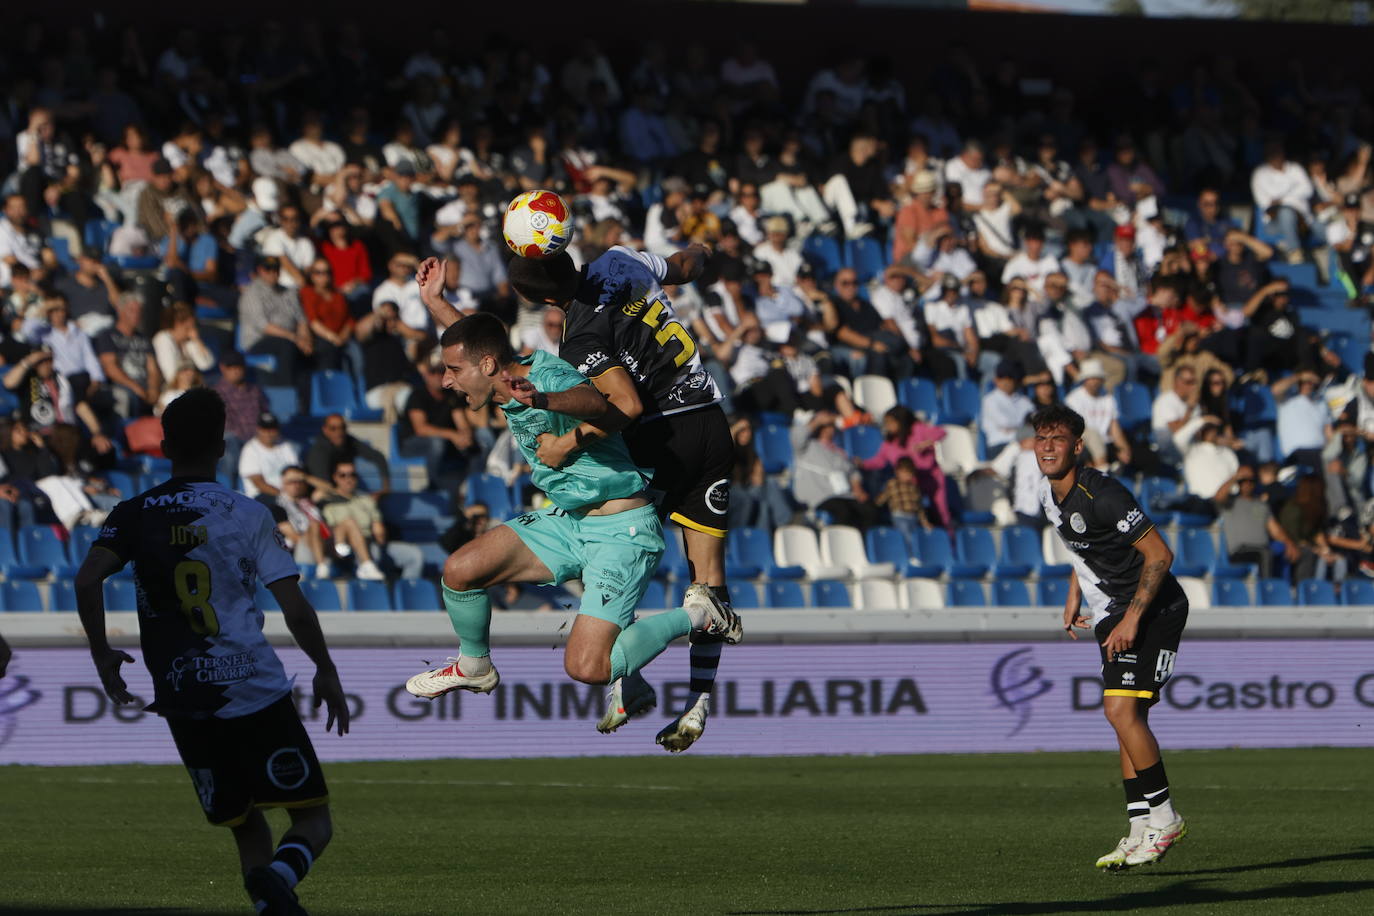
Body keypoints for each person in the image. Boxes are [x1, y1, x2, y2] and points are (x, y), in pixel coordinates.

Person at [423, 239, 737, 754]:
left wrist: (568, 439)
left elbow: (622, 403)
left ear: (534, 297)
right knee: (707, 577)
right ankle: (697, 701)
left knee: (615, 543)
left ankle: (625, 675)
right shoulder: (622, 260)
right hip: (709, 422)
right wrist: (705, 248)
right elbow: (683, 265)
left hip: (660, 437)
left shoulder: (580, 341)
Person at [74, 387, 348, 916]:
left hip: (183, 693)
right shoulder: (248, 513)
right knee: (313, 821)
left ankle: (270, 903)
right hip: (252, 687)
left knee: (245, 827)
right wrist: (324, 669)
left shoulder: (132, 513)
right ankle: (281, 876)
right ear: (222, 449)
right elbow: (294, 607)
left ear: (164, 445)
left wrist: (102, 653)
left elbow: (87, 581)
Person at [1033, 403, 1188, 871]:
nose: (1047, 447)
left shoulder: (1104, 494)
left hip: (1153, 607)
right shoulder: (1047, 494)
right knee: (1126, 716)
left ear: (1077, 446)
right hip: (1110, 611)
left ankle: (1166, 818)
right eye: (1041, 438)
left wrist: (1133, 619)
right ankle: (1140, 828)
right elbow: (1084, 548)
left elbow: (1160, 555)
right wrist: (1073, 595)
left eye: (1057, 439)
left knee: (1119, 709)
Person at [320, 459, 423, 580]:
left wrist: (380, 533)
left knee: (414, 556)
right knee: (352, 526)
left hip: (372, 543)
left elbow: (377, 526)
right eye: (343, 475)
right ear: (335, 478)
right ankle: (366, 567)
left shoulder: (366, 499)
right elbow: (328, 531)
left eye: (352, 474)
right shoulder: (327, 502)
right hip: (345, 549)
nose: (348, 479)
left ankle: (406, 593)